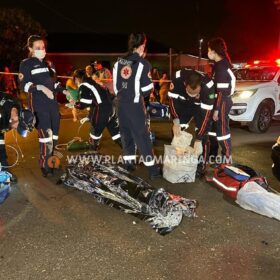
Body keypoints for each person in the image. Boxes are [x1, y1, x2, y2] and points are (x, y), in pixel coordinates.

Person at [112, 32, 161, 179]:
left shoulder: (118, 62)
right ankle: (153, 171)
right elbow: (147, 90)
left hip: (121, 104)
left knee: (126, 135)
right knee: (142, 137)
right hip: (135, 106)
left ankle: (128, 164)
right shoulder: (143, 64)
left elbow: (115, 87)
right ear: (142, 46)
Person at [18, 35, 69, 177]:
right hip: (38, 103)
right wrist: (40, 87)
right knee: (46, 135)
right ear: (30, 49)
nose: (41, 50)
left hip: (52, 103)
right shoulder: (26, 63)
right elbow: (23, 85)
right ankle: (45, 165)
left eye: (43, 47)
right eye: (37, 48)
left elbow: (54, 82)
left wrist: (64, 90)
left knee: (54, 134)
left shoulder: (49, 64)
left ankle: (51, 161)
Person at [168, 69, 215, 176]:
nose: (192, 95)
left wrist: (198, 138)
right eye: (190, 92)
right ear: (185, 84)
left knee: (203, 136)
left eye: (195, 93)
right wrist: (176, 121)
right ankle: (178, 160)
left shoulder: (208, 87)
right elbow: (172, 101)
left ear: (200, 86)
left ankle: (201, 166)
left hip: (201, 108)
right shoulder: (177, 78)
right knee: (177, 132)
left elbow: (206, 117)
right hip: (184, 104)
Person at [73, 69, 122, 151]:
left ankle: (92, 155)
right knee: (116, 133)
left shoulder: (84, 85)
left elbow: (85, 103)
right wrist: (89, 115)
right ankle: (130, 153)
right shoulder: (95, 83)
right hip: (111, 109)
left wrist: (75, 105)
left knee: (94, 133)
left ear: (77, 78)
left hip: (101, 111)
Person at [207, 37, 236, 165]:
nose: (207, 53)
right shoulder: (219, 65)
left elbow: (221, 91)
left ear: (214, 51)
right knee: (214, 131)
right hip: (220, 101)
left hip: (222, 102)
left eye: (208, 50)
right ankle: (212, 155)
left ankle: (226, 162)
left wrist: (217, 109)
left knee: (223, 132)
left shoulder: (221, 67)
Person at [0, 91, 35, 182]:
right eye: (17, 127)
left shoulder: (18, 105)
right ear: (17, 119)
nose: (15, 129)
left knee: (1, 146)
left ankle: (5, 171)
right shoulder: (2, 116)